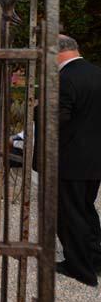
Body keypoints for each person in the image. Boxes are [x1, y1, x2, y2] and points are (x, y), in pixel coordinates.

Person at [55, 34, 101, 287]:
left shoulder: (64, 78)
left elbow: (59, 119)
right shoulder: (96, 73)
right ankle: (95, 258)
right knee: (86, 209)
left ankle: (81, 268)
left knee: (70, 214)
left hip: (71, 159)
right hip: (94, 158)